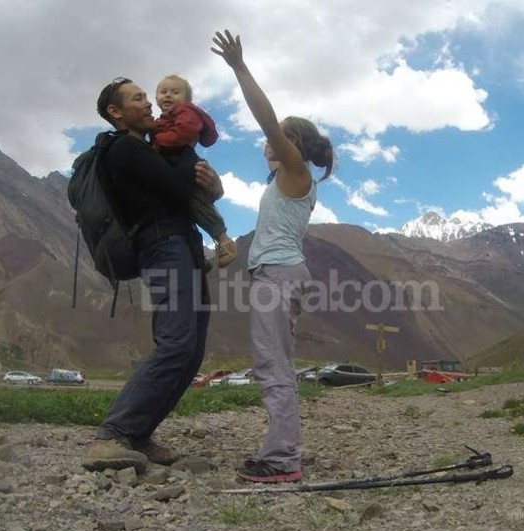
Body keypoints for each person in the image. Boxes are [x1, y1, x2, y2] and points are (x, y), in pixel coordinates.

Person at [82, 77, 223, 472]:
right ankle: (111, 435)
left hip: (182, 245)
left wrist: (211, 183)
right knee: (177, 342)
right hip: (162, 247)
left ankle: (139, 434)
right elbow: (181, 188)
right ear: (115, 112)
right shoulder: (125, 148)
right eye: (138, 99)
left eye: (148, 97)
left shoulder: (147, 149)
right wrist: (206, 180)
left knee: (191, 348)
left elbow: (185, 186)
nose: (149, 104)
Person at [212, 30, 335, 483]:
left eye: (282, 139)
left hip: (278, 277)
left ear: (293, 145)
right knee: (275, 361)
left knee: (271, 364)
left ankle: (282, 459)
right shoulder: (285, 183)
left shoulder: (295, 171)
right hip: (283, 273)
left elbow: (266, 121)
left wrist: (240, 68)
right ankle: (282, 449)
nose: (270, 142)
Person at [153, 74, 236, 268]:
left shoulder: (186, 112)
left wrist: (158, 142)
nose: (168, 95)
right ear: (156, 98)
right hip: (175, 160)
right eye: (163, 92)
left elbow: (185, 132)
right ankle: (198, 256)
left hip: (182, 158)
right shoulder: (163, 119)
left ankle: (223, 239)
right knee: (183, 205)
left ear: (187, 100)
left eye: (175, 92)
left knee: (195, 199)